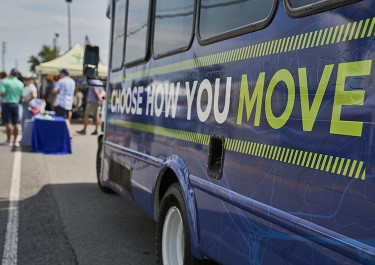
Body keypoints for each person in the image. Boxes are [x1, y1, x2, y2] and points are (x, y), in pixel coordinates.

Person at [0, 68, 24, 146]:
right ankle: (15, 141)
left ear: (10, 73)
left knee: (8, 123)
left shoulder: (5, 82)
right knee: (16, 123)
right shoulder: (20, 83)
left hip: (6, 104)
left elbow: (2, 93)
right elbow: (22, 96)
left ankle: (9, 140)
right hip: (16, 104)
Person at [53, 69, 75, 138]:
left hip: (62, 103)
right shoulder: (72, 81)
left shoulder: (61, 81)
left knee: (64, 119)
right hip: (69, 103)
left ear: (62, 74)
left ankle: (69, 134)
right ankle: (66, 133)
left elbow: (55, 91)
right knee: (67, 118)